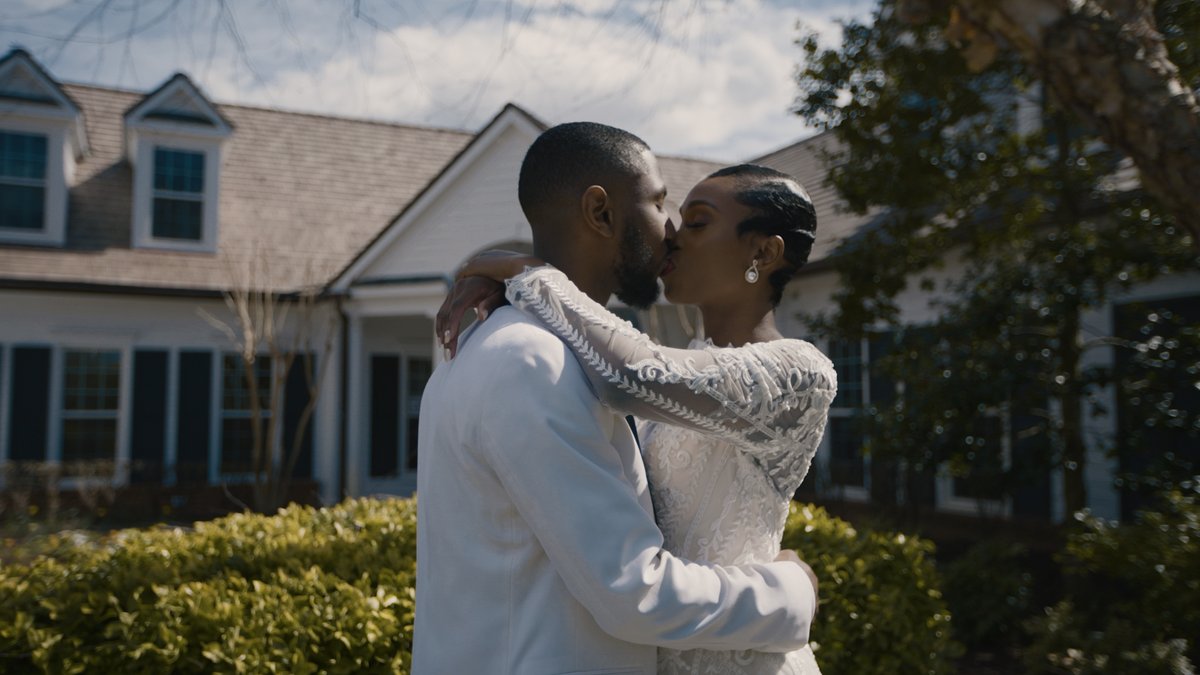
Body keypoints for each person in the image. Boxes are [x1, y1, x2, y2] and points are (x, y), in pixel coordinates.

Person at [412, 123, 823, 675]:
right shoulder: (533, 361)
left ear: (764, 252)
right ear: (601, 214)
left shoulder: (501, 350)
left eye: (693, 221)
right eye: (660, 204)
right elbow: (631, 589)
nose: (671, 232)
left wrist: (518, 271)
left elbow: (636, 370)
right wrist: (791, 592)